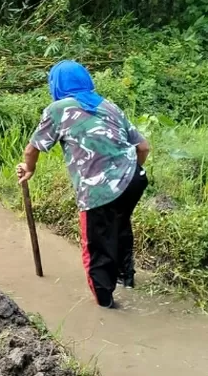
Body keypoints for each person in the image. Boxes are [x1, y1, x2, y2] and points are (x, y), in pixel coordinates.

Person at [16, 60, 150, 309]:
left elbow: (32, 148)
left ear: (56, 85)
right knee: (119, 224)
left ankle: (105, 302)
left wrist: (29, 168)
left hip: (96, 188)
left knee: (97, 243)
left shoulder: (58, 109)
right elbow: (143, 147)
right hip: (134, 180)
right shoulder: (109, 105)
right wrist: (129, 172)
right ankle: (126, 278)